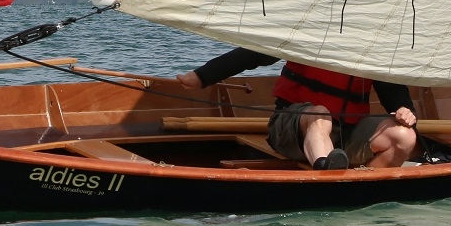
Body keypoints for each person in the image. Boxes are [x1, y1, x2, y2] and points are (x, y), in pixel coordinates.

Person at [176, 48, 417, 170]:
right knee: (320, 113)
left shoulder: (370, 46)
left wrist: (405, 110)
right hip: (292, 128)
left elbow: (392, 90)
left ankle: (363, 186)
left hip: (346, 134)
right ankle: (328, 173)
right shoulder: (308, 33)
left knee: (403, 136)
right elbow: (252, 54)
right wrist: (202, 76)